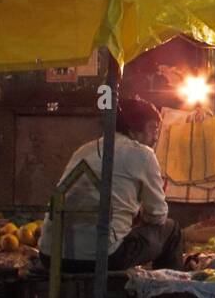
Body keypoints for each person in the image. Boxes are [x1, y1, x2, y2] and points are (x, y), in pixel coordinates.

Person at [39, 96, 181, 272]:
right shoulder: (143, 154)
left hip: (49, 255)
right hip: (104, 257)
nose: (155, 137)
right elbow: (158, 215)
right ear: (134, 126)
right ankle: (167, 292)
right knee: (171, 229)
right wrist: (141, 216)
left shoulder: (84, 149)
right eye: (153, 128)